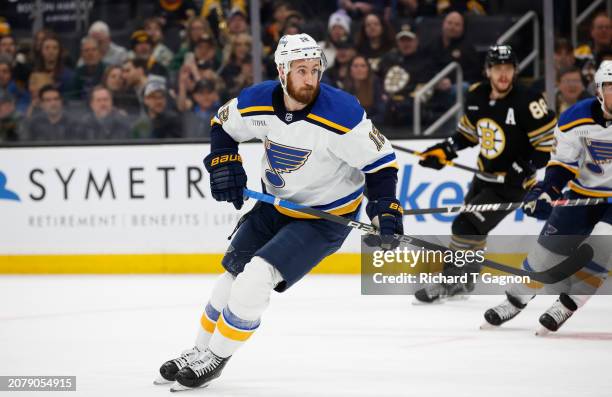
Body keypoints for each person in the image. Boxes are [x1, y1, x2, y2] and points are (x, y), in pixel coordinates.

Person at [155, 33, 403, 391]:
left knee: (256, 277)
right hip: (274, 205)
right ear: (282, 70)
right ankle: (199, 349)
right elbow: (222, 126)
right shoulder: (257, 100)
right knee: (231, 277)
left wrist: (385, 212)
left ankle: (217, 357)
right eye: (300, 70)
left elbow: (381, 166)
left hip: (322, 219)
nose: (309, 78)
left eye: (315, 70)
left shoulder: (344, 113)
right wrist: (225, 161)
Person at [414, 45, 558, 303]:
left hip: (513, 185)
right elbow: (468, 135)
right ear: (488, 70)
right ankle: (466, 280)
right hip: (483, 176)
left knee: (464, 224)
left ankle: (451, 282)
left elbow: (546, 147)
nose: (503, 75)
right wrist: (445, 150)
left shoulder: (530, 100)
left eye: (508, 69)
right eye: (497, 69)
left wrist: (523, 167)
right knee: (474, 230)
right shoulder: (477, 95)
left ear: (515, 71)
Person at [482, 61, 612, 335]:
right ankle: (514, 300)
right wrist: (547, 191)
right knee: (546, 253)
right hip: (582, 194)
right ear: (599, 90)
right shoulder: (575, 118)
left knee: (603, 245)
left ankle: (567, 303)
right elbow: (562, 165)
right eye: (611, 87)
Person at [378, 24, 434, 127]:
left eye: (409, 40)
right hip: (388, 104)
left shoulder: (425, 61)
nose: (406, 44)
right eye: (402, 41)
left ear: (416, 41)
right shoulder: (388, 59)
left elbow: (425, 88)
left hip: (413, 106)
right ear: (397, 42)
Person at [344, 55, 385, 125]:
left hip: (372, 127)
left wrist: (363, 124)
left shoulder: (375, 85)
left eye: (363, 66)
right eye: (355, 66)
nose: (359, 69)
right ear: (350, 70)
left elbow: (381, 114)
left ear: (368, 69)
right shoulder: (344, 88)